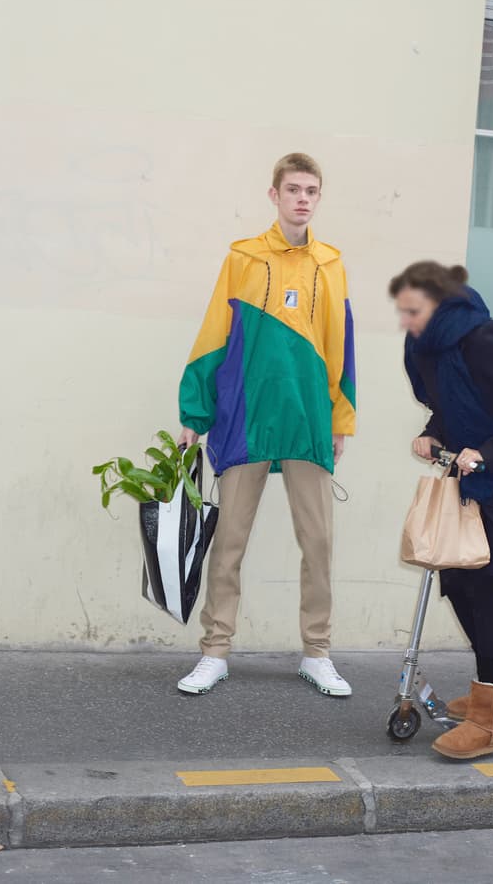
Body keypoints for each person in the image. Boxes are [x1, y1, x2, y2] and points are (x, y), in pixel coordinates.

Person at [176, 153, 356, 696]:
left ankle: (317, 653)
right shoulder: (244, 259)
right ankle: (215, 652)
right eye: (294, 188)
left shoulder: (331, 263)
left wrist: (341, 419)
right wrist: (194, 414)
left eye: (312, 190)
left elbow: (342, 348)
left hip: (307, 422)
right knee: (229, 542)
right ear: (274, 194)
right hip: (245, 418)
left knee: (319, 543)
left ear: (318, 198)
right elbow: (213, 335)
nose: (303, 198)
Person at [389, 261, 493, 759]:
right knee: (460, 581)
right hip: (477, 476)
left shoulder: (481, 339)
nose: (408, 322)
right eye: (404, 312)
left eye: (415, 311)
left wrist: (487, 452)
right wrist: (433, 433)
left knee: (479, 586)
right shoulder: (431, 347)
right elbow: (454, 405)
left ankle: (487, 723)